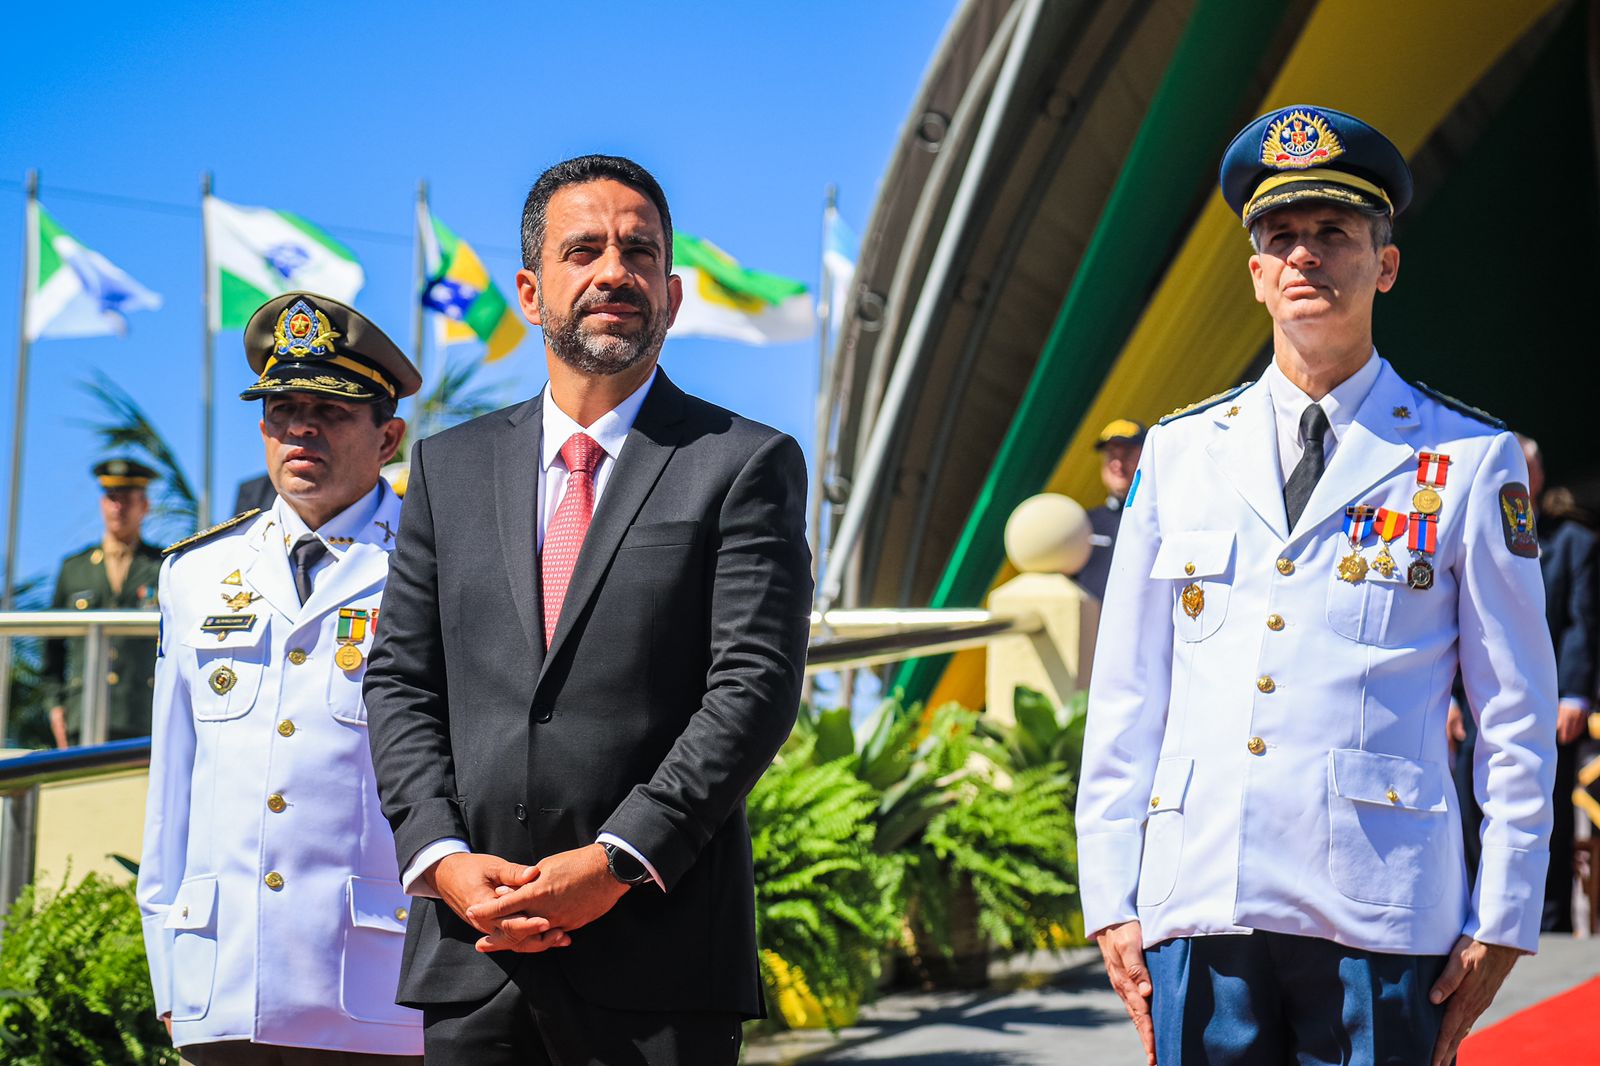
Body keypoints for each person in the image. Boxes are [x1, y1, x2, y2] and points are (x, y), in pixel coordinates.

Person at [1075, 105, 1558, 1066]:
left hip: (1378, 914)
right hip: (1204, 900)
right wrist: (1109, 894)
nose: (1305, 256)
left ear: (1384, 263)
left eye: (1334, 233)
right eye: (1280, 238)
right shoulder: (1177, 455)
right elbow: (1128, 692)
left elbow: (1515, 707)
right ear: (1255, 275)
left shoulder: (1467, 459)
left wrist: (1504, 910)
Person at [364, 155, 812, 1065]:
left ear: (672, 295)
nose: (615, 271)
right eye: (585, 250)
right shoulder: (449, 470)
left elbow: (753, 688)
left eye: (639, 252)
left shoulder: (742, 462)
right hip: (473, 951)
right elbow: (402, 680)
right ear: (531, 290)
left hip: (659, 951)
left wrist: (616, 860)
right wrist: (441, 857)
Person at [138, 292, 425, 1064]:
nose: (300, 428)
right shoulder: (195, 574)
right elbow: (174, 784)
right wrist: (170, 966)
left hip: (374, 987)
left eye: (329, 411)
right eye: (281, 408)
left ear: (388, 436)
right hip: (221, 981)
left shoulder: (434, 569)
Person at [1449, 435, 1596, 932]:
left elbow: (1581, 622)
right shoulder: (1467, 531)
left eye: (1522, 468)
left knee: (1542, 814)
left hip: (1547, 707)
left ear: (1536, 478)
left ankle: (1546, 926)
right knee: (1470, 809)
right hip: (1478, 705)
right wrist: (1450, 698)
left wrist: (1574, 693)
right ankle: (1473, 919)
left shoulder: (1572, 542)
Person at [41, 458, 163, 747]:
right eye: (111, 498)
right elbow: (51, 650)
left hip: (142, 716)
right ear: (101, 504)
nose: (118, 507)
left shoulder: (163, 567)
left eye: (128, 499)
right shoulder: (75, 569)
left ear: (144, 506)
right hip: (81, 716)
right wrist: (56, 708)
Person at [1076, 419, 1145, 602]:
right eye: (1111, 455)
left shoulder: (1162, 517)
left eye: (1128, 454)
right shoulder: (1083, 524)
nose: (1118, 463)